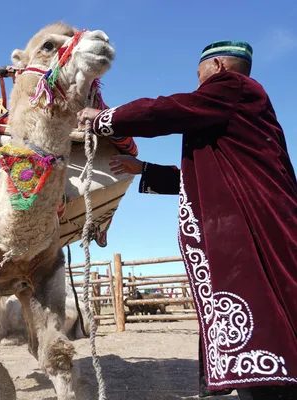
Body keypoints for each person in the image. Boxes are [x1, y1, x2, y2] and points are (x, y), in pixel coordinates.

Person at [77, 40, 297, 399]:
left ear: (218, 68)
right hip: (258, 220)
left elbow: (170, 109)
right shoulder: (234, 119)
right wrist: (144, 170)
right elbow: (208, 183)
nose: (197, 85)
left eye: (199, 76)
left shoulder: (234, 89)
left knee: (265, 321)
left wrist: (105, 119)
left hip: (255, 231)